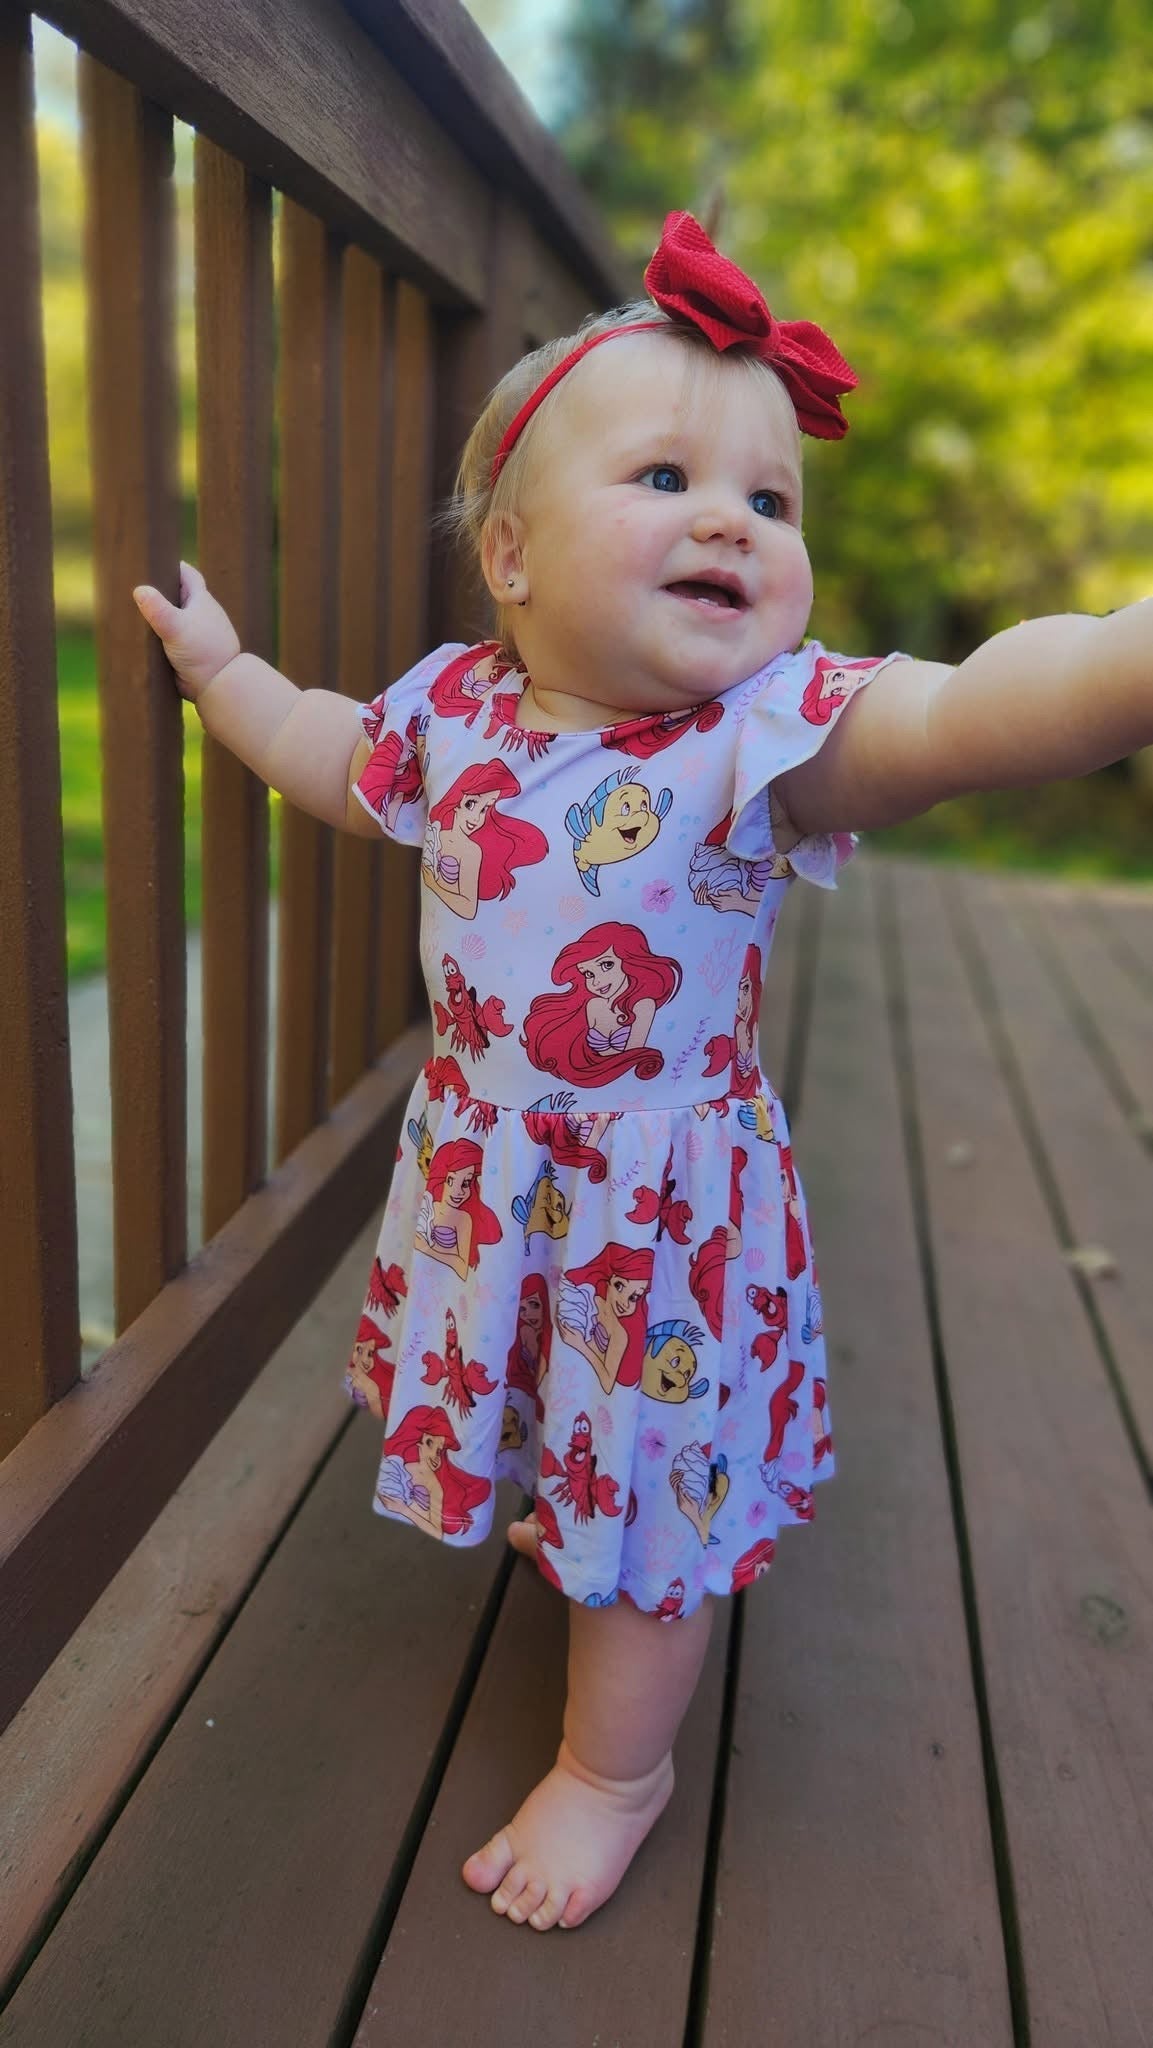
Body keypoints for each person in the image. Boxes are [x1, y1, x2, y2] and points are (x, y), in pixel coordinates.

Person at [133, 211, 1152, 1935]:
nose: (729, 523)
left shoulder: (760, 741)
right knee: (562, 1430)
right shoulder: (456, 711)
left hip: (660, 1221)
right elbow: (326, 754)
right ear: (512, 560)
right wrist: (227, 677)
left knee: (651, 1504)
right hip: (491, 1181)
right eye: (670, 476)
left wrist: (1124, 661)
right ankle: (566, 1515)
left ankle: (617, 1770)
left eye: (768, 503)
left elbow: (971, 708)